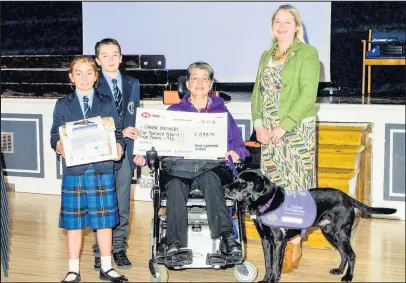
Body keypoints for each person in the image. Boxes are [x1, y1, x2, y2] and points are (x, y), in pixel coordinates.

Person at [251, 4, 320, 273]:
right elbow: (257, 92)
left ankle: (294, 241)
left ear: (297, 26)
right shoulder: (265, 55)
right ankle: (276, 237)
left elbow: (307, 95)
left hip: (294, 131)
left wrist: (283, 126)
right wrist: (259, 125)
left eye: (287, 22)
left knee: (296, 187)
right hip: (268, 132)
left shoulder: (308, 53)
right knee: (275, 186)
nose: (281, 26)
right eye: (277, 21)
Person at [50, 56, 129, 282]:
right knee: (73, 223)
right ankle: (73, 270)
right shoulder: (63, 104)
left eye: (89, 73)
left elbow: (117, 133)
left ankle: (106, 267)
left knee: (104, 221)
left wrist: (119, 148)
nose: (84, 78)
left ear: (96, 77)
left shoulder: (106, 102)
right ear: (71, 77)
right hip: (75, 170)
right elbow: (55, 135)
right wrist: (59, 145)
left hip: (102, 168)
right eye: (78, 73)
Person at [164, 61, 249, 256]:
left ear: (211, 85)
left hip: (212, 167)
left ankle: (227, 237)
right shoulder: (173, 112)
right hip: (181, 168)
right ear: (187, 84)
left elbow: (241, 147)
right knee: (175, 183)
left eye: (205, 79)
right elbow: (157, 143)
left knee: (210, 178)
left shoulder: (223, 113)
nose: (199, 83)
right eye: (195, 78)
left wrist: (236, 153)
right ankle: (174, 244)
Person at [92, 38, 146, 269]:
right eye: (105, 55)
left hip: (126, 153)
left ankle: (118, 247)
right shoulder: (91, 84)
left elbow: (136, 119)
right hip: (102, 151)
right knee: (102, 201)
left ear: (121, 58)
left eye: (115, 55)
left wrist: (138, 149)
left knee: (122, 201)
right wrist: (117, 131)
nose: (111, 59)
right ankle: (99, 250)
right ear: (97, 60)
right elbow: (91, 120)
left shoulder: (133, 83)